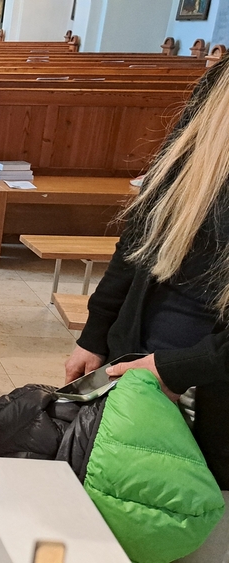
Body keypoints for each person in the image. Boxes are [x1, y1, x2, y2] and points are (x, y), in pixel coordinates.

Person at [63, 58, 229, 490]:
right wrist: (95, 333)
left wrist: (178, 368)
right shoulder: (219, 87)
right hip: (140, 360)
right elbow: (141, 237)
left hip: (211, 384)